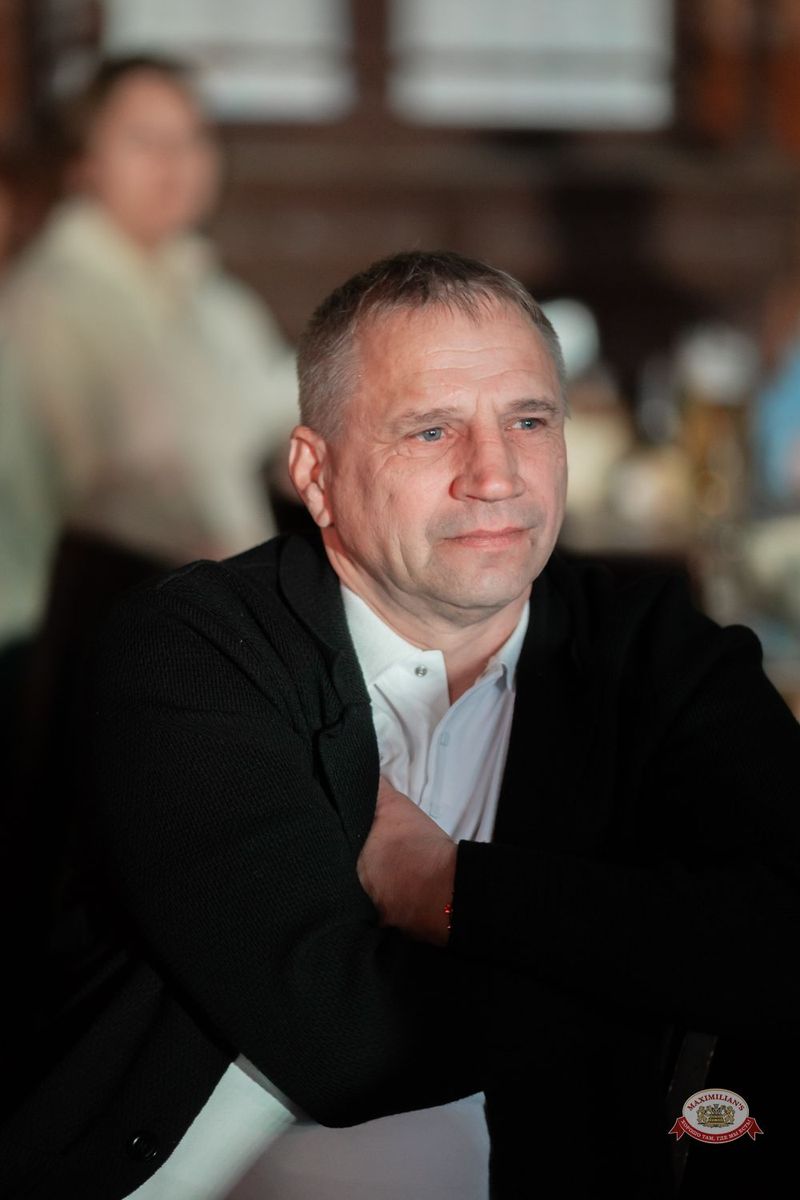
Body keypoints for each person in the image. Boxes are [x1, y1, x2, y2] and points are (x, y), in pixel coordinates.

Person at [2, 251, 799, 1200]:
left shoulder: (652, 653)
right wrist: (662, 967)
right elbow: (346, 1044)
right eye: (431, 430)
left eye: (529, 421)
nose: (495, 475)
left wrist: (445, 886)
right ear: (317, 474)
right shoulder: (197, 649)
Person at [0, 54, 298, 651]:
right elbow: (88, 500)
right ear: (84, 164)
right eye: (144, 140)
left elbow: (277, 411)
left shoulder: (215, 299)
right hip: (80, 634)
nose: (176, 162)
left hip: (218, 613)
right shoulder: (47, 300)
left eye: (193, 139)